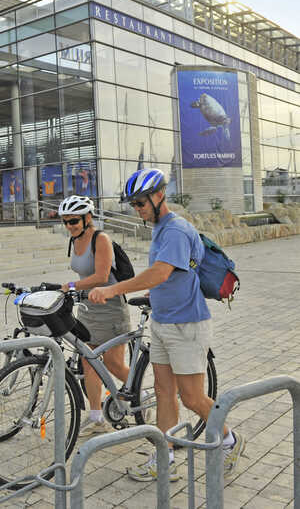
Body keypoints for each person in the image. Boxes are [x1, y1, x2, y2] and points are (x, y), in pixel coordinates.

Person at [89, 168, 245, 482]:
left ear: (159, 195)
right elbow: (170, 276)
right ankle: (165, 458)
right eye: (133, 205)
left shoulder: (175, 230)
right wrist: (156, 293)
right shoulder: (160, 228)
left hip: (186, 325)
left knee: (192, 397)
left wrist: (112, 289)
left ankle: (230, 439)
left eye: (140, 203)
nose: (137, 209)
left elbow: (160, 273)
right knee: (163, 392)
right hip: (162, 322)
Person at [57, 195, 132, 437]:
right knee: (88, 362)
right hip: (88, 309)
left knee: (113, 363)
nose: (69, 226)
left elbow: (101, 276)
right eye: (66, 222)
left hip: (110, 307)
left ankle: (139, 393)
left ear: (87, 218)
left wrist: (71, 285)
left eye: (74, 221)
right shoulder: (74, 241)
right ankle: (96, 417)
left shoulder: (101, 239)